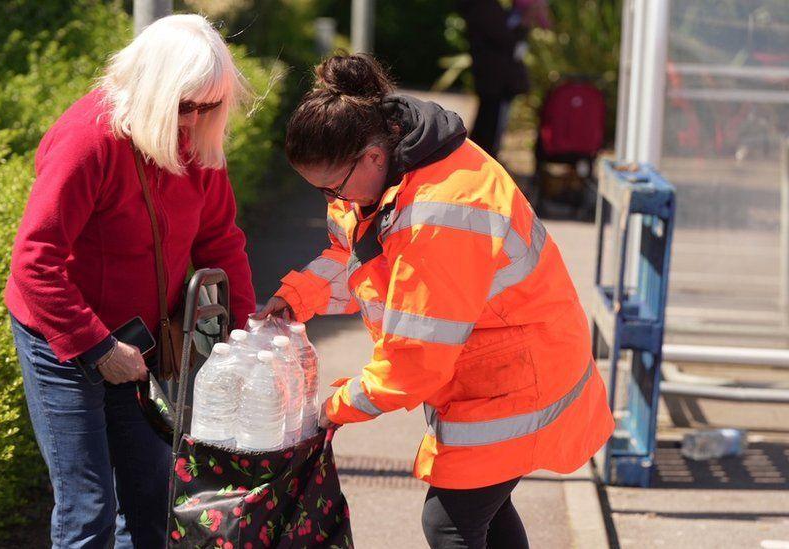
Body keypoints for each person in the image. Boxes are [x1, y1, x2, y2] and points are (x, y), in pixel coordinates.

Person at [258, 53, 613, 549]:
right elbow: (362, 259)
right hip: (502, 372)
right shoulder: (397, 166)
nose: (330, 198)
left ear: (373, 157)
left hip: (515, 383)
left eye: (332, 186)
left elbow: (414, 360)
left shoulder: (438, 214)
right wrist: (297, 298)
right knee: (480, 513)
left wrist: (334, 407)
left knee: (450, 524)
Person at [5, 14, 256, 548]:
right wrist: (96, 346)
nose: (194, 119)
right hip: (64, 338)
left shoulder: (197, 144)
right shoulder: (86, 141)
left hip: (138, 342)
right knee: (88, 508)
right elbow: (34, 263)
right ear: (153, 86)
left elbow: (221, 241)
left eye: (209, 106)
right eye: (185, 104)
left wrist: (246, 332)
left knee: (152, 497)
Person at [460, 0, 547, 159]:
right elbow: (505, 39)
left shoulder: (484, 7)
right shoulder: (484, 7)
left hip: (492, 76)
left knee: (488, 121)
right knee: (490, 124)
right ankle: (482, 160)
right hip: (495, 78)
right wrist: (523, 25)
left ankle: (480, 158)